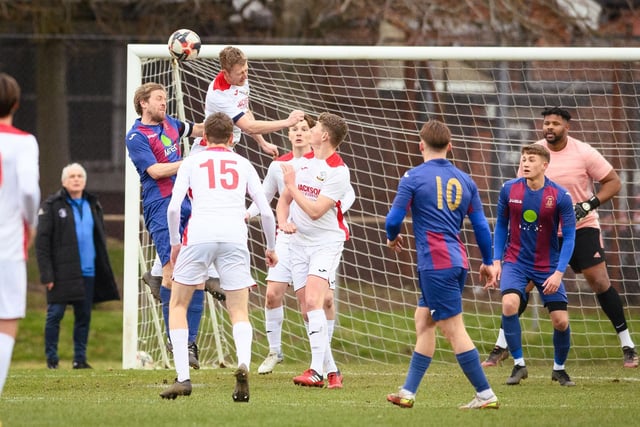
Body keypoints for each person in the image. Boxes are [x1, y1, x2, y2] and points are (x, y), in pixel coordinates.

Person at [482, 107, 639, 369]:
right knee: (521, 287)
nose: (550, 127)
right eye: (546, 123)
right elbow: (520, 194)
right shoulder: (534, 155)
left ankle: (628, 346)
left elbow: (613, 182)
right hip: (542, 233)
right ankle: (501, 347)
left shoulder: (583, 152)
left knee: (599, 281)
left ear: (567, 127)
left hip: (581, 227)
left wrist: (588, 205)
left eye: (555, 123)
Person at [159, 112, 277, 401]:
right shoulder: (243, 163)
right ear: (231, 138)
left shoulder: (191, 161)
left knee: (178, 304)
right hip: (235, 235)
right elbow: (265, 211)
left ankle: (183, 377)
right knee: (238, 309)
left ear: (203, 137)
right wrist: (271, 247)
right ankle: (244, 364)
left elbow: (174, 208)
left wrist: (175, 242)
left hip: (199, 234)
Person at [384, 119, 499, 410]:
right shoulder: (466, 180)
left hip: (435, 264)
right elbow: (481, 227)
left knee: (453, 329)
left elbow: (393, 220)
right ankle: (408, 391)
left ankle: (485, 394)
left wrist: (392, 238)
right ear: (450, 146)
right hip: (456, 260)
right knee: (424, 321)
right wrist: (487, 262)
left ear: (421, 144)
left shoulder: (412, 177)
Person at [248, 115, 355, 385]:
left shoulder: (338, 171)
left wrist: (293, 187)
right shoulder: (302, 163)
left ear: (324, 137)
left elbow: (317, 211)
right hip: (297, 245)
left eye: (315, 128)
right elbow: (282, 201)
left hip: (325, 243)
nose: (310, 131)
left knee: (314, 302)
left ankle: (316, 370)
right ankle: (332, 371)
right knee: (308, 311)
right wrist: (283, 222)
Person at [125, 82, 206, 369]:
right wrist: (189, 162)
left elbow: (200, 129)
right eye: (159, 99)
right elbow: (156, 171)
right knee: (174, 271)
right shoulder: (136, 136)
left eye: (165, 98)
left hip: (187, 202)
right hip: (160, 206)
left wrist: (229, 123)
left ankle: (190, 341)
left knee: (196, 273)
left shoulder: (172, 124)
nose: (164, 102)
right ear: (143, 103)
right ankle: (176, 338)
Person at [489, 143, 577, 386]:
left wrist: (559, 272)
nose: (525, 163)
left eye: (531, 160)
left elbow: (569, 236)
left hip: (548, 265)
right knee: (509, 304)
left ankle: (559, 369)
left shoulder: (560, 196)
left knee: (561, 321)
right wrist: (497, 261)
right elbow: (500, 227)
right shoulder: (508, 190)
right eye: (523, 159)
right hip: (516, 262)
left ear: (544, 165)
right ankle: (518, 365)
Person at [36, 163, 120, 369]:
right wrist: (47, 274)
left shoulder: (93, 205)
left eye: (79, 176)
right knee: (55, 314)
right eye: (72, 176)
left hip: (88, 271)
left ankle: (79, 359)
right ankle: (52, 360)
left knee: (84, 316)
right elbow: (42, 243)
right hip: (62, 272)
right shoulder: (52, 206)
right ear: (64, 181)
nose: (76, 179)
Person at [0, 72, 40, 396]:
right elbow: (28, 190)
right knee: (6, 319)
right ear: (15, 103)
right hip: (8, 243)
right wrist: (32, 222)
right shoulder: (23, 142)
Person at [199, 45, 305, 157]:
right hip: (207, 149)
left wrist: (263, 143)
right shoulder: (219, 94)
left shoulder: (241, 80)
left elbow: (245, 111)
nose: (245, 76)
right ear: (225, 73)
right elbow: (249, 127)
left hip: (225, 148)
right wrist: (287, 122)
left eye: (246, 70)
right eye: (240, 73)